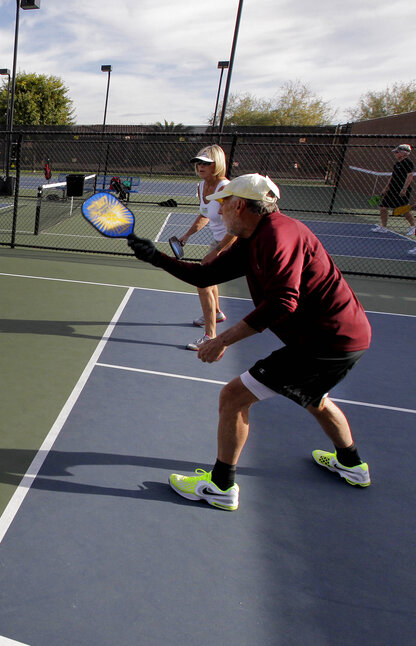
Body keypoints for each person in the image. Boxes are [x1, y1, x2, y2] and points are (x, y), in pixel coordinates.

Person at [126, 174, 372, 511]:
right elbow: (204, 275)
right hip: (344, 338)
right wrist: (154, 257)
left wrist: (220, 340)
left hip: (325, 342)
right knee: (313, 397)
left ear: (240, 205)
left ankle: (221, 486)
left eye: (223, 203)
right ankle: (352, 464)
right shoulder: (255, 235)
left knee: (233, 397)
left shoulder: (278, 236)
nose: (220, 210)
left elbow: (284, 301)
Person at [173, 146, 236, 350]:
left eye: (206, 163)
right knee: (209, 280)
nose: (200, 166)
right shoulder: (202, 187)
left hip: (234, 242)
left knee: (202, 282)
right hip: (218, 240)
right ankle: (216, 313)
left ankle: (210, 337)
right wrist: (186, 236)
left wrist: (217, 251)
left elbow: (236, 228)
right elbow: (205, 215)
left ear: (217, 164)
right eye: (198, 163)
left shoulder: (225, 189)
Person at [373, 144, 415, 236]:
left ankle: (413, 227)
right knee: (383, 207)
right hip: (392, 189)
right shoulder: (397, 163)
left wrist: (404, 189)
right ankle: (383, 227)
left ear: (404, 153)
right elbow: (393, 176)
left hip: (401, 190)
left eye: (397, 152)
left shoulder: (408, 163)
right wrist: (386, 187)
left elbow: (410, 176)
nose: (395, 153)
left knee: (403, 209)